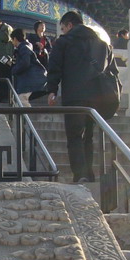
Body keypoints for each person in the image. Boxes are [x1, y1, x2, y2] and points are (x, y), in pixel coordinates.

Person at [46, 11, 121, 184]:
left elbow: (55, 66)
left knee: (74, 136)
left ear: (70, 25)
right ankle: (90, 174)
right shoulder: (103, 45)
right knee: (89, 136)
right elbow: (113, 72)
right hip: (96, 98)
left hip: (74, 97)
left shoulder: (63, 42)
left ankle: (80, 175)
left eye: (63, 28)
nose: (63, 31)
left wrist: (52, 90)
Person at [10, 28, 47, 105]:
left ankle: (25, 117)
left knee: (21, 99)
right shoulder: (25, 47)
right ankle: (24, 116)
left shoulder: (24, 48)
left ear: (15, 39)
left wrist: (14, 69)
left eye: (12, 40)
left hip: (30, 80)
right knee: (20, 100)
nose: (12, 43)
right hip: (31, 79)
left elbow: (25, 63)